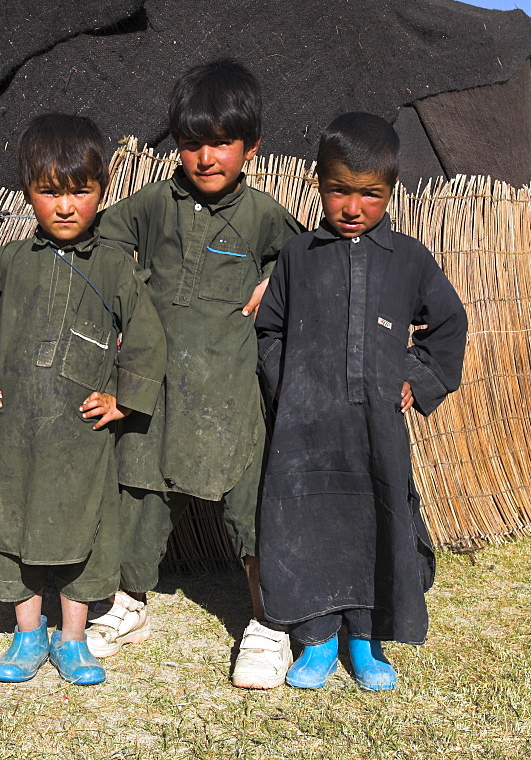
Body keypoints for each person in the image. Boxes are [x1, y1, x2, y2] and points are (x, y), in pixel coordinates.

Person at [91, 58, 303, 687]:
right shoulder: (154, 203)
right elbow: (103, 239)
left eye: (221, 143)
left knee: (250, 504)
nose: (206, 157)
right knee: (142, 494)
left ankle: (270, 622)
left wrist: (274, 280)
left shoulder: (264, 215)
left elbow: (307, 260)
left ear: (251, 148)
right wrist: (128, 295)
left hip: (229, 386)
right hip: (157, 383)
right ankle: (129, 603)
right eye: (191, 143)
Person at [0, 114, 166, 686]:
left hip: (82, 437)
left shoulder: (115, 265)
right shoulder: (10, 261)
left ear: (102, 190)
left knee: (86, 527)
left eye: (80, 191)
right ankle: (27, 635)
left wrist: (122, 396)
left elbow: (146, 336)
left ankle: (73, 638)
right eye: (49, 192)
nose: (65, 207)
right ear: (28, 192)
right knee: (12, 522)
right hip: (15, 430)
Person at [255, 112, 468, 691]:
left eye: (369, 195)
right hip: (305, 430)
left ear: (390, 191)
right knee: (309, 521)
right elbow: (268, 331)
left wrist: (417, 378)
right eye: (338, 191)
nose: (352, 207)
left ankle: (365, 642)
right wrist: (289, 384)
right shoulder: (300, 255)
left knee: (376, 520)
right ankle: (318, 640)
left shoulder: (409, 259)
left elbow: (448, 324)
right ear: (318, 186)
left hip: (377, 425)